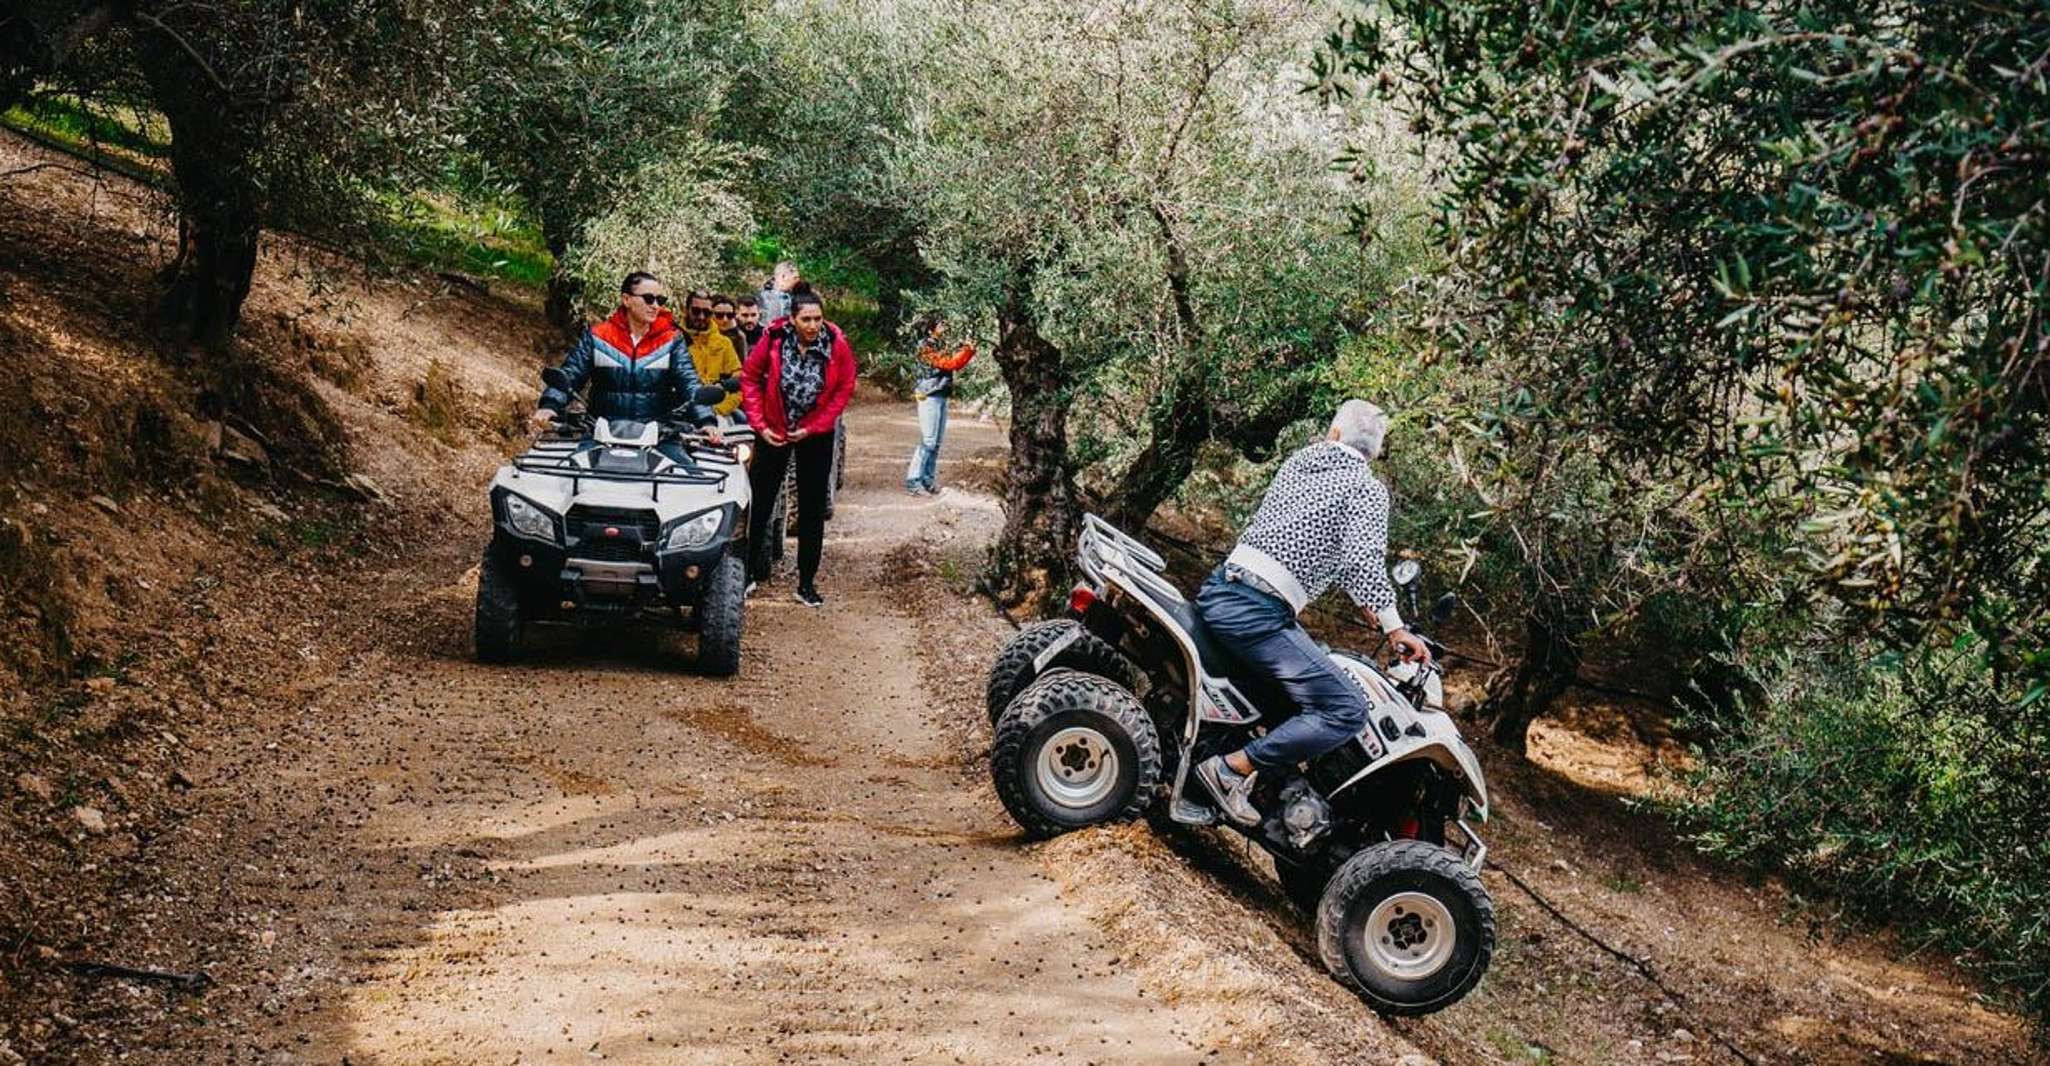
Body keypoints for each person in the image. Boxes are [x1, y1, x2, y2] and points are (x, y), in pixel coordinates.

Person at [1191, 400, 1432, 827]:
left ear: (1334, 434)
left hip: (1222, 588)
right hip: (1258, 612)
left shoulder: (1301, 461)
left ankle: (1263, 783)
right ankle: (1228, 770)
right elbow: (1361, 560)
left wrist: (1364, 596)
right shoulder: (1366, 488)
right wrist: (1396, 628)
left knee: (1294, 688)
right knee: (1345, 709)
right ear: (1373, 454)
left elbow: (1306, 535)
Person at [740, 290, 856, 608]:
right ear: (792, 318)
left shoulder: (836, 343)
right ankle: (748, 573)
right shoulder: (774, 339)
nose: (813, 325)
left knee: (811, 508)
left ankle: (806, 582)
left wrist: (814, 427)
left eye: (817, 318)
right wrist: (760, 425)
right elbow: (749, 378)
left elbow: (845, 387)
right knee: (760, 503)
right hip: (773, 431)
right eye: (806, 319)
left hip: (814, 434)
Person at [529, 272, 717, 437]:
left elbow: (689, 382)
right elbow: (571, 374)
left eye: (660, 300)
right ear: (626, 299)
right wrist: (550, 405)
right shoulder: (598, 336)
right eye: (649, 298)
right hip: (600, 431)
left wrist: (706, 421)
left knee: (689, 474)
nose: (655, 305)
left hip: (659, 434)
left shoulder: (672, 340)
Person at [904, 317, 975, 496]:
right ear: (931, 329)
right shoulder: (925, 346)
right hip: (929, 395)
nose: (946, 327)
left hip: (940, 393)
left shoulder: (941, 344)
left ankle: (927, 479)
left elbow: (954, 363)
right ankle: (914, 480)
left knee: (936, 442)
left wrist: (967, 349)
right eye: (941, 325)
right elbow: (950, 363)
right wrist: (968, 349)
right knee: (928, 440)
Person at [681, 290, 743, 417]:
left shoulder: (724, 343)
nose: (702, 316)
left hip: (719, 411)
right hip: (684, 411)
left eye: (707, 312)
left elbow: (739, 382)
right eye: (696, 311)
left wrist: (718, 410)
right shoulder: (674, 340)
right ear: (686, 310)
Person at [710, 293, 749, 370]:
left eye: (729, 315)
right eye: (719, 315)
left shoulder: (739, 337)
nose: (725, 320)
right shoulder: (700, 334)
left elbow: (742, 367)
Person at [756, 260, 800, 326]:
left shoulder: (795, 297)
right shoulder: (762, 298)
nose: (798, 281)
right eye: (795, 278)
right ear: (783, 277)